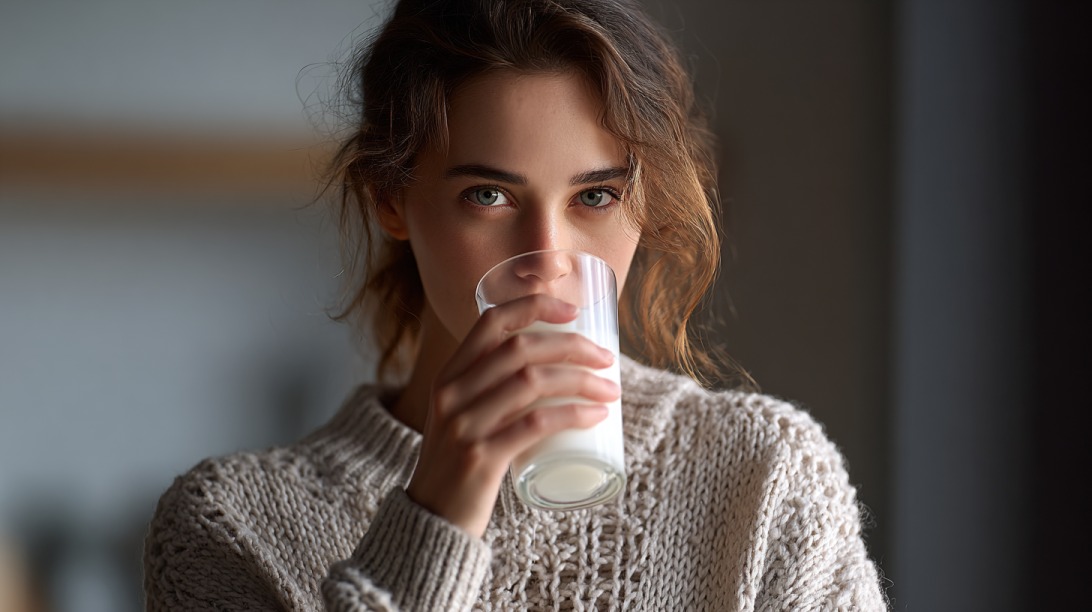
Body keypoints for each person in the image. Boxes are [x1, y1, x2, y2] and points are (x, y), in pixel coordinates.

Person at [143, 0, 890, 609]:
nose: (549, 260)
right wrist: (433, 519)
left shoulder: (764, 478)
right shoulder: (230, 526)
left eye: (595, 196)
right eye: (489, 196)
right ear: (392, 200)